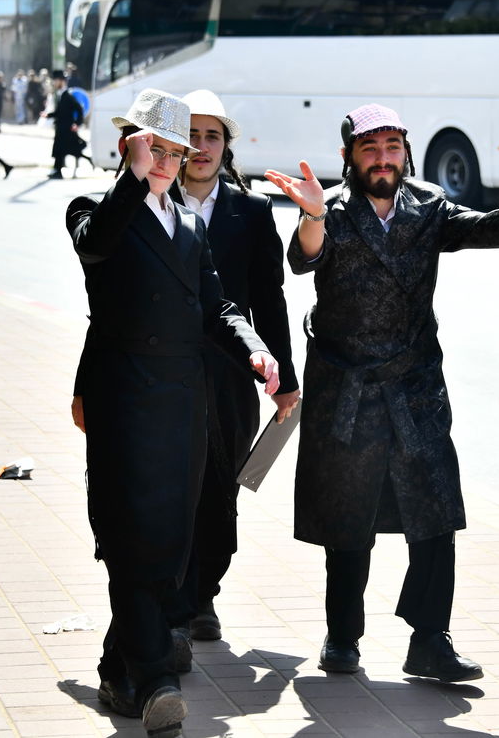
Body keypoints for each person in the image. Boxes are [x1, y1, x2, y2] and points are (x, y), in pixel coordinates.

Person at [264, 104, 499, 683]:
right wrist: (310, 216)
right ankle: (342, 635)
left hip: (415, 384)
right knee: (347, 518)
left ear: (406, 151)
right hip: (347, 387)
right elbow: (306, 257)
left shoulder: (428, 206)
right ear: (349, 156)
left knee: (435, 511)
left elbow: (490, 228)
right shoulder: (329, 209)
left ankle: (430, 638)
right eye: (370, 148)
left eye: (392, 146)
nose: (383, 158)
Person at [67, 88, 279, 735]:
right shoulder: (95, 209)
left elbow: (216, 304)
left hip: (185, 404)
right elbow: (97, 244)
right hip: (123, 402)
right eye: (150, 146)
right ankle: (157, 675)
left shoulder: (189, 225)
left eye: (171, 149)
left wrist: (253, 350)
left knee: (168, 542)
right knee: (130, 537)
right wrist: (131, 180)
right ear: (129, 145)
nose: (162, 160)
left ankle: (114, 668)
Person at [170, 89, 300, 643]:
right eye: (191, 136)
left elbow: (269, 299)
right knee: (171, 485)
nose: (201, 148)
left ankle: (202, 597)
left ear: (227, 147)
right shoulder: (152, 202)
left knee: (220, 487)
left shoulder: (251, 212)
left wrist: (284, 380)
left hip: (230, 375)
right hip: (164, 373)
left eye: (212, 137)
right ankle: (169, 599)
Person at [48, 70, 86, 179]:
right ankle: (57, 170)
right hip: (61, 128)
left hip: (66, 128)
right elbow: (60, 112)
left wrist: (77, 123)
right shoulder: (61, 95)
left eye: (55, 81)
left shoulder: (67, 95)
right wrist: (49, 115)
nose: (54, 83)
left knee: (65, 149)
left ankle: (58, 171)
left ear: (61, 81)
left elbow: (79, 109)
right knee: (60, 149)